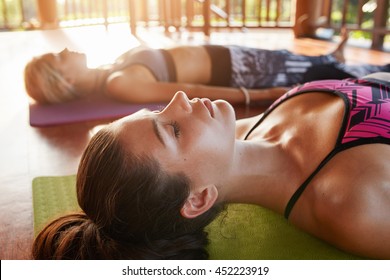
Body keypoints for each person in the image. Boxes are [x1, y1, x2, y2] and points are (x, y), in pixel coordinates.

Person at [32, 72, 390, 260]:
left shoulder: (237, 130)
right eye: (172, 129)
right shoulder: (353, 207)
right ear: (198, 199)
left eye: (158, 112)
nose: (178, 99)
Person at [24, 33, 389, 105]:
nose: (66, 48)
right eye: (60, 57)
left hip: (230, 58)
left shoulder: (110, 70)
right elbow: (191, 92)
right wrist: (260, 96)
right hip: (239, 74)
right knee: (332, 75)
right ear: (65, 79)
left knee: (319, 65)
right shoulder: (120, 84)